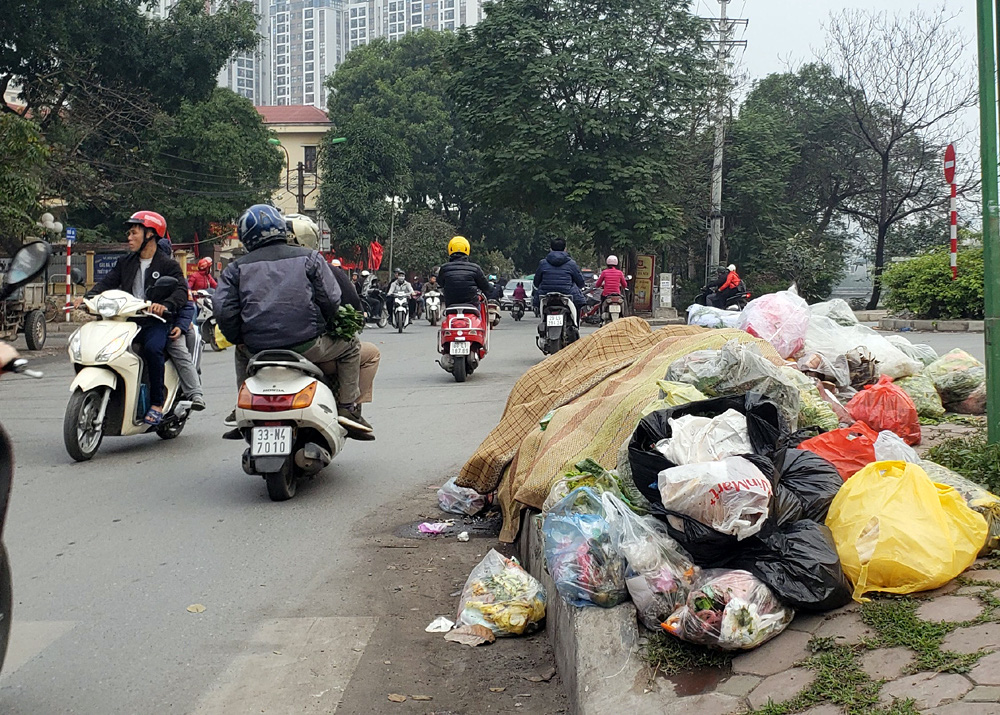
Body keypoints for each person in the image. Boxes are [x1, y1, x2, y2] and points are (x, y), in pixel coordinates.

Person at [215, 204, 371, 439]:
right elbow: (331, 299)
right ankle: (348, 408)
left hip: (258, 350)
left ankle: (242, 404)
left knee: (240, 350)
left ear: (246, 237)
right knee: (351, 346)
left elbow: (224, 310)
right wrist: (325, 324)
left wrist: (241, 339)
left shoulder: (236, 268)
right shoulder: (310, 258)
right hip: (308, 345)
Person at [75, 210, 188, 425]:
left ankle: (156, 402)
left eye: (134, 232)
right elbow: (106, 283)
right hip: (127, 321)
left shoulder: (168, 265)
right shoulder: (125, 262)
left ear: (150, 234)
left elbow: (181, 291)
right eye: (129, 233)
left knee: (152, 349)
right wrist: (87, 298)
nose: (129, 237)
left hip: (155, 322)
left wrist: (164, 306)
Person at [437, 236, 492, 327]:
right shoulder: (475, 268)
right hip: (471, 305)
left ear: (450, 249)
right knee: (479, 323)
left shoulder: (444, 268)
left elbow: (440, 283)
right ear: (467, 249)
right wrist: (491, 287)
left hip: (451, 305)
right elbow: (485, 286)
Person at [533, 237, 586, 312]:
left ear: (550, 249)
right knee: (578, 306)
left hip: (546, 294)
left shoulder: (543, 263)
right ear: (565, 249)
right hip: (568, 293)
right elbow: (580, 282)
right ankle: (576, 323)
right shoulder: (572, 264)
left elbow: (536, 282)